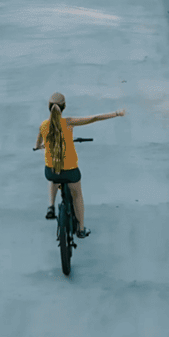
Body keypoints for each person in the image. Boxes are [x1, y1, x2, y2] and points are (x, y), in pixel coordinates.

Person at [33, 92, 124, 238]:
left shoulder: (43, 125)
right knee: (77, 196)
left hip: (50, 170)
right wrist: (116, 113)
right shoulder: (68, 122)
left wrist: (39, 146)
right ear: (64, 107)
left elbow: (37, 143)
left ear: (49, 107)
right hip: (70, 171)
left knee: (54, 177)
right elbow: (94, 118)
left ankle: (51, 206)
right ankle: (81, 229)